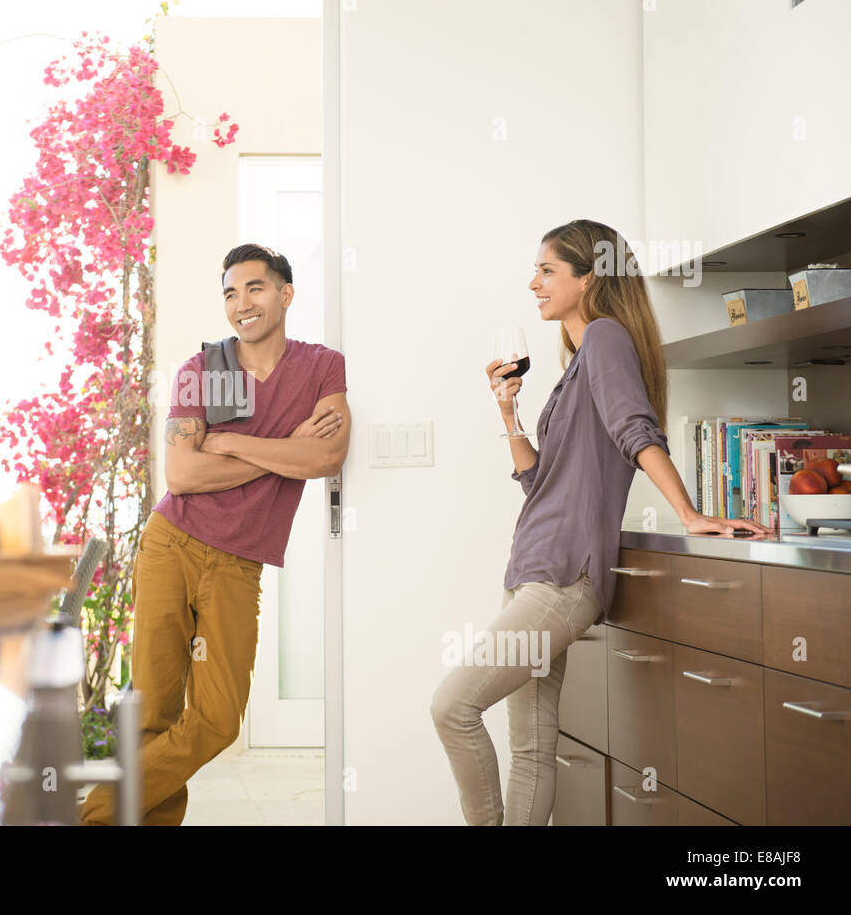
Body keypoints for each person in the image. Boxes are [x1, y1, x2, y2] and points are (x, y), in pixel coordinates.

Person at [430, 219, 771, 826]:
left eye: (547, 270)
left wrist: (689, 515)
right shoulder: (578, 361)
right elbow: (541, 484)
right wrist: (508, 415)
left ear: (588, 278)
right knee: (533, 747)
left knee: (452, 707)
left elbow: (634, 429)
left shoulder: (607, 339)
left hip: (562, 578)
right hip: (533, 568)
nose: (532, 282)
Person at [79, 243, 350, 825]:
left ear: (285, 294)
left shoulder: (322, 366)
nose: (241, 303)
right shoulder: (206, 370)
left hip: (238, 562)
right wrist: (284, 452)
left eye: (255, 288)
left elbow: (327, 453)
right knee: (153, 711)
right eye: (230, 293)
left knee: (218, 720)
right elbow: (182, 473)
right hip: (172, 544)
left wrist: (230, 443)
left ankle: (90, 817)